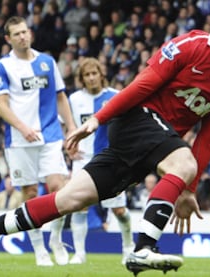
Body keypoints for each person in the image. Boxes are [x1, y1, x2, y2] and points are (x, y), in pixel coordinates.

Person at [0, 3, 210, 275]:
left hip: (156, 142)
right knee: (182, 159)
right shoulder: (190, 45)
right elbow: (141, 86)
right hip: (134, 119)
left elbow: (207, 138)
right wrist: (97, 120)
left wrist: (189, 188)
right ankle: (144, 247)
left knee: (69, 200)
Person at [0, 16, 77, 266]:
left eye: (25, 32)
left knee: (58, 188)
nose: (22, 37)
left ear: (31, 34)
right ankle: (39, 248)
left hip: (49, 134)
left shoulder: (47, 62)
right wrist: (23, 127)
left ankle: (56, 240)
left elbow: (61, 97)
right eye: (16, 34)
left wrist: (71, 128)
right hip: (19, 139)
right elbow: (0, 104)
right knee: (29, 192)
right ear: (8, 39)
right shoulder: (3, 66)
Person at [67, 57, 135, 265]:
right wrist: (69, 145)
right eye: (87, 75)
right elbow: (68, 126)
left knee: (119, 210)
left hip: (110, 160)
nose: (91, 78)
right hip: (83, 160)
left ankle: (128, 247)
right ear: (82, 78)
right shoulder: (75, 99)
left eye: (94, 73)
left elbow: (128, 126)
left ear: (101, 74)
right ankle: (79, 254)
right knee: (79, 206)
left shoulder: (115, 96)